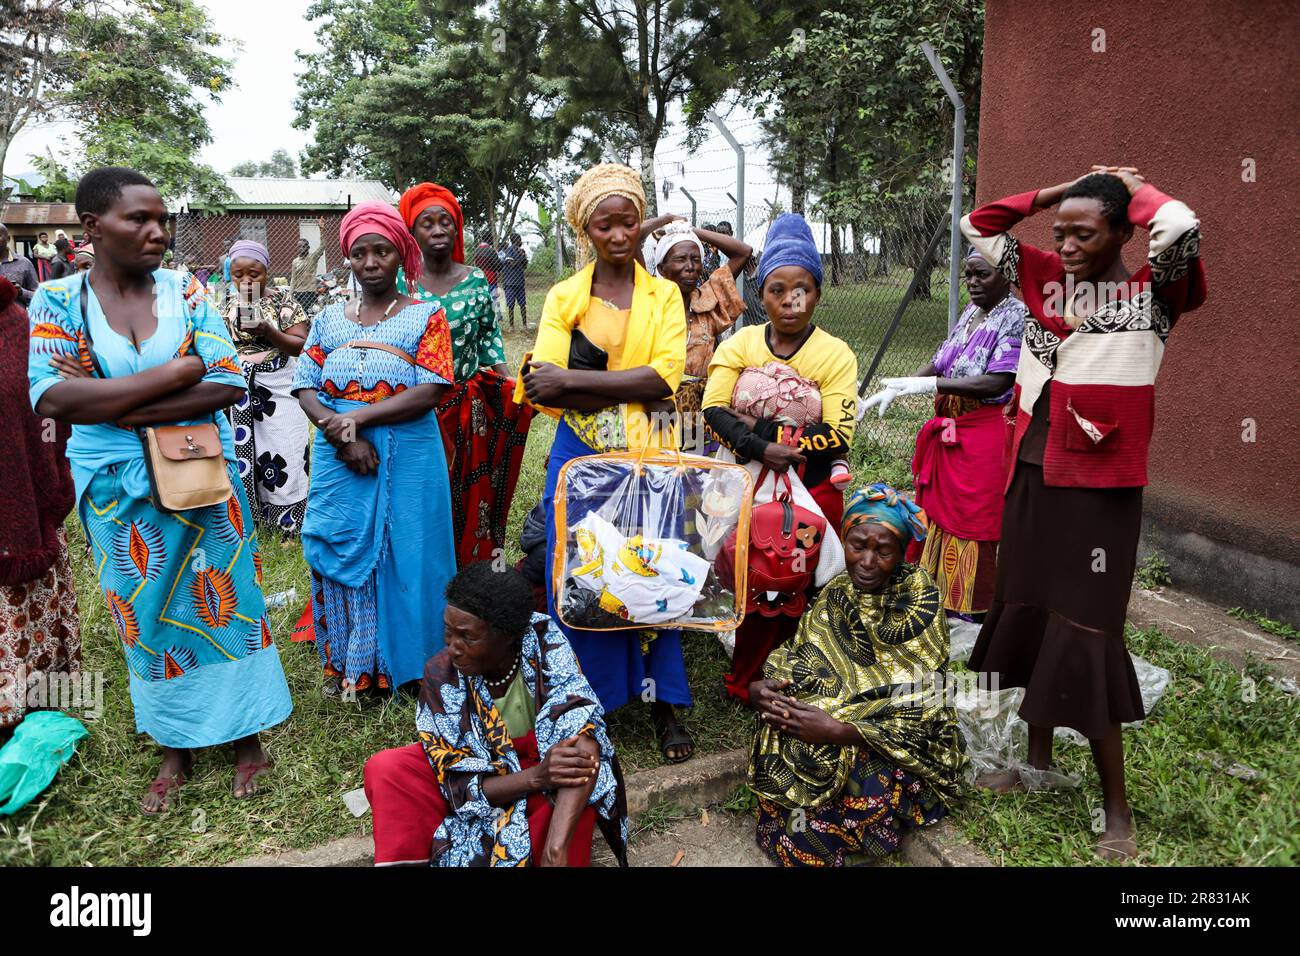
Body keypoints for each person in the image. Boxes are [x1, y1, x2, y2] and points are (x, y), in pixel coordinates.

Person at [27, 167, 292, 812]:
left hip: (198, 466)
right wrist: (179, 370)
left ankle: (246, 735)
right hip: (114, 487)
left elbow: (227, 383)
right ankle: (174, 744)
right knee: (143, 614)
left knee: (227, 602)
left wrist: (114, 404)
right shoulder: (58, 301)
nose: (158, 232)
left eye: (162, 220)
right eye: (138, 220)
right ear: (91, 228)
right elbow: (54, 396)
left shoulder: (187, 288)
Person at [960, 167, 1206, 859]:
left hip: (1099, 489)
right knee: (1030, 606)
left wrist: (1138, 189)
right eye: (1058, 232)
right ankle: (1038, 765)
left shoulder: (1156, 293)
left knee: (1087, 629)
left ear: (1124, 231)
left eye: (1084, 232)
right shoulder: (1042, 277)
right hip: (1030, 474)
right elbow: (979, 226)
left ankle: (1117, 811)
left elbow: (1181, 226)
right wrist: (1057, 190)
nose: (1065, 245)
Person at [517, 163, 693, 763]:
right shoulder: (564, 296)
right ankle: (590, 701)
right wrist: (615, 386)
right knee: (582, 574)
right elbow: (543, 389)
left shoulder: (664, 293)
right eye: (605, 225)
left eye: (629, 222)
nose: (620, 235)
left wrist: (576, 378)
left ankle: (665, 701)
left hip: (651, 452)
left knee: (655, 569)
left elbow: (665, 377)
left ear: (641, 223)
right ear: (584, 230)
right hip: (580, 453)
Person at [748, 484, 967, 865]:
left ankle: (845, 836)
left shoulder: (919, 597)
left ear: (901, 553)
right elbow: (803, 655)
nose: (867, 561)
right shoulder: (837, 591)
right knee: (780, 723)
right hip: (834, 713)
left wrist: (843, 729)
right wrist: (763, 688)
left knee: (861, 774)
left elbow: (924, 700)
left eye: (883, 551)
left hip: (897, 737)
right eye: (857, 545)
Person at [292, 200, 457, 697]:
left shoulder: (426, 315)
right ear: (348, 257)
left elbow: (431, 388)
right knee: (341, 547)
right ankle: (352, 665)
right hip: (339, 455)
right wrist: (343, 434)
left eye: (381, 251)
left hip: (408, 452)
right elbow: (305, 385)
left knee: (411, 554)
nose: (370, 262)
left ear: (400, 254)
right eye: (359, 253)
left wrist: (357, 419)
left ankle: (411, 665)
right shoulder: (326, 319)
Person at [363, 563, 628, 866]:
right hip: (483, 770)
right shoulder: (441, 675)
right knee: (387, 769)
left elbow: (584, 737)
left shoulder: (544, 644)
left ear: (508, 636)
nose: (453, 648)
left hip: (541, 760)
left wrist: (556, 848)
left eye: (467, 637)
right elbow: (455, 782)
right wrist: (534, 778)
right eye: (448, 633)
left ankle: (552, 852)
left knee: (574, 784)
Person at [703, 213, 858, 702]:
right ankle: (746, 674)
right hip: (743, 471)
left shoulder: (835, 353)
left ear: (817, 293)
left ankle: (800, 667)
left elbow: (837, 433)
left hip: (809, 480)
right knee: (739, 558)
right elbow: (712, 409)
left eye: (803, 290)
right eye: (777, 290)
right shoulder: (742, 342)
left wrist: (759, 428)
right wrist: (757, 447)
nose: (791, 302)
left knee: (800, 563)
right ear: (761, 293)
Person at [862, 248, 1027, 620]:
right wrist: (904, 385)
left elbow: (1000, 379)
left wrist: (933, 385)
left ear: (1006, 274)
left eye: (981, 274)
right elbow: (941, 357)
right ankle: (935, 593)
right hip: (951, 434)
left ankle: (972, 605)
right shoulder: (972, 312)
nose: (972, 283)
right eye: (967, 274)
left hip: (981, 433)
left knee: (974, 517)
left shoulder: (1015, 316)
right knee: (938, 512)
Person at [397, 183, 533, 567]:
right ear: (413, 231)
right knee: (422, 491)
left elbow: (489, 337)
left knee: (471, 491)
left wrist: (509, 384)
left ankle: (470, 567)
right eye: (427, 223)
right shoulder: (399, 283)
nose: (438, 230)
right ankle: (424, 566)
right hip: (416, 405)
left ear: (457, 230)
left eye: (446, 222)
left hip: (467, 405)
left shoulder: (475, 279)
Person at [0, 276, 82, 738]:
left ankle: (31, 706)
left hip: (23, 507)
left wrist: (53, 481)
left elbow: (51, 418)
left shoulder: (23, 328)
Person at [219, 238, 313, 535]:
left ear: (267, 272)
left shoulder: (284, 303)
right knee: (246, 451)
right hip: (242, 391)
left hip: (279, 388)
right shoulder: (227, 306)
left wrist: (268, 331)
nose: (246, 281)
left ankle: (289, 523)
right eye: (238, 275)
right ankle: (252, 517)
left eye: (254, 274)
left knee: (284, 447)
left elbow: (301, 346)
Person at [644, 217, 752, 448]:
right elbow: (631, 241)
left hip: (700, 416)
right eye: (680, 259)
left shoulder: (707, 303)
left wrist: (692, 231)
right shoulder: (647, 303)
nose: (690, 266)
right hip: (656, 413)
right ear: (662, 268)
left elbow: (743, 252)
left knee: (698, 475)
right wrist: (665, 222)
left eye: (695, 259)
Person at [289, 222, 326, 313]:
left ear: (308, 247)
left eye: (304, 246)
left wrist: (322, 230)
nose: (302, 248)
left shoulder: (312, 258)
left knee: (308, 313)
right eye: (299, 247)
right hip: (298, 292)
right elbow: (293, 278)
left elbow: (322, 247)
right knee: (299, 314)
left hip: (309, 291)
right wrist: (290, 294)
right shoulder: (295, 261)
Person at [0, 225, 38, 307]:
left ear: (8, 239)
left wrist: (21, 292)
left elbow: (39, 296)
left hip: (15, 318)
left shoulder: (24, 263)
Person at [498, 232, 528, 328]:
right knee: (511, 305)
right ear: (515, 240)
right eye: (520, 239)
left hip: (519, 282)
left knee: (522, 304)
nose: (521, 241)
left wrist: (524, 257)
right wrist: (521, 256)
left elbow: (524, 266)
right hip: (510, 282)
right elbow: (512, 264)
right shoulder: (509, 250)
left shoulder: (520, 251)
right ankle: (511, 326)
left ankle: (524, 324)